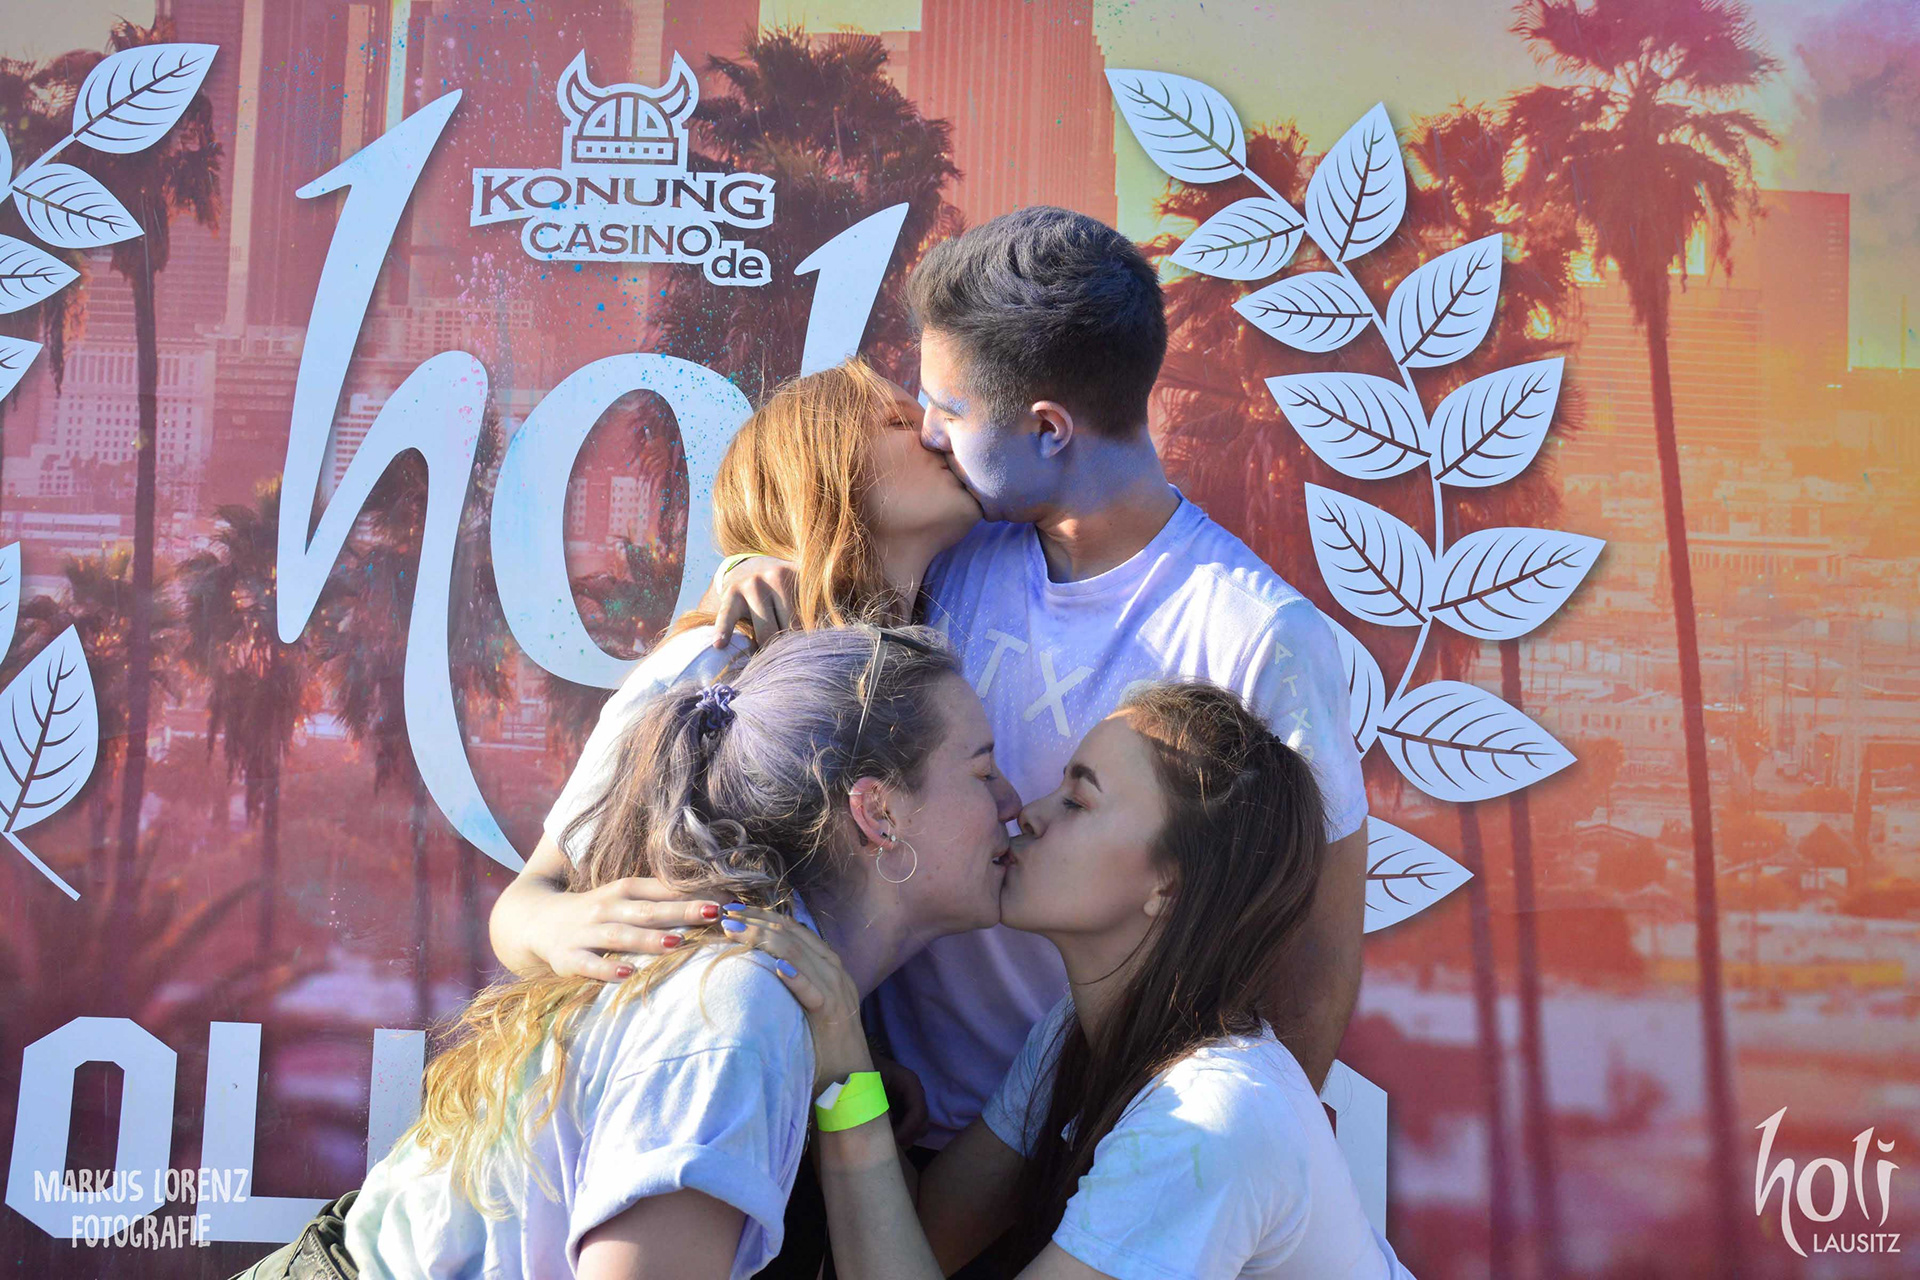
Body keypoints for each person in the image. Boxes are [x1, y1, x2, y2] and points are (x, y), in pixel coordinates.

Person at [713, 206, 1369, 1150]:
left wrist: (1207, 1176)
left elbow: (1314, 961)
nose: (928, 434)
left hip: (1091, 1156)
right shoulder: (948, 546)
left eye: (949, 411)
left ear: (1049, 428)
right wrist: (745, 569)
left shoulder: (1259, 634)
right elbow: (811, 578)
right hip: (872, 1121)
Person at [260, 626, 1019, 1280]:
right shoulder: (734, 1008)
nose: (1014, 803)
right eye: (984, 773)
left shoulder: (758, 991)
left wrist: (853, 1082)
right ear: (878, 811)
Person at [728, 683, 1410, 1279]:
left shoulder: (1211, 1119)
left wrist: (843, 1065)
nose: (1027, 812)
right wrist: (846, 1065)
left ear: (1168, 885)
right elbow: (921, 1237)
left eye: (1078, 801)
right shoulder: (1075, 1032)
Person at [488, 357, 987, 985]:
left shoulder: (923, 649)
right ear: (822, 471)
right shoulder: (723, 652)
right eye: (898, 422)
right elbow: (528, 898)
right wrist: (560, 926)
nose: (936, 435)